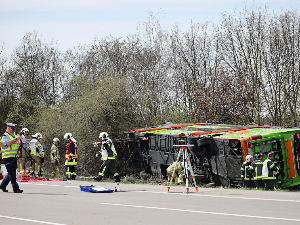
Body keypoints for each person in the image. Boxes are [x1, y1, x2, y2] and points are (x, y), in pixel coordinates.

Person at [0, 123, 23, 193]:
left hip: (13, 157)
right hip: (7, 157)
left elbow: (17, 143)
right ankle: (15, 188)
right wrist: (16, 139)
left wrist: (20, 140)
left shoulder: (13, 136)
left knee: (11, 172)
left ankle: (2, 185)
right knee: (12, 173)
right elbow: (8, 143)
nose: (14, 130)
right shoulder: (4, 136)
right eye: (13, 129)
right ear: (9, 128)